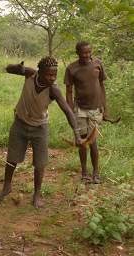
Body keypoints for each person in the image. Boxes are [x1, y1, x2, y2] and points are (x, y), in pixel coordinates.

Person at [0, 57, 81, 208]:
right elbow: (8, 69)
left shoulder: (53, 89)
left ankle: (36, 195)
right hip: (20, 122)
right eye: (49, 74)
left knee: (40, 164)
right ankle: (6, 187)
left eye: (54, 75)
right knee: (12, 158)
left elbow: (67, 111)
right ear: (39, 71)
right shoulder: (30, 74)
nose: (52, 78)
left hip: (40, 127)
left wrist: (77, 133)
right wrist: (18, 68)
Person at [64, 41, 107, 184]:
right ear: (77, 53)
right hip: (80, 110)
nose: (87, 55)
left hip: (95, 109)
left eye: (89, 52)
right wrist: (70, 112)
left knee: (93, 141)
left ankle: (96, 172)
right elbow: (69, 92)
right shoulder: (71, 68)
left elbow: (101, 85)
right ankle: (84, 172)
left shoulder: (97, 64)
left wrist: (104, 107)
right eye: (84, 53)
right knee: (82, 142)